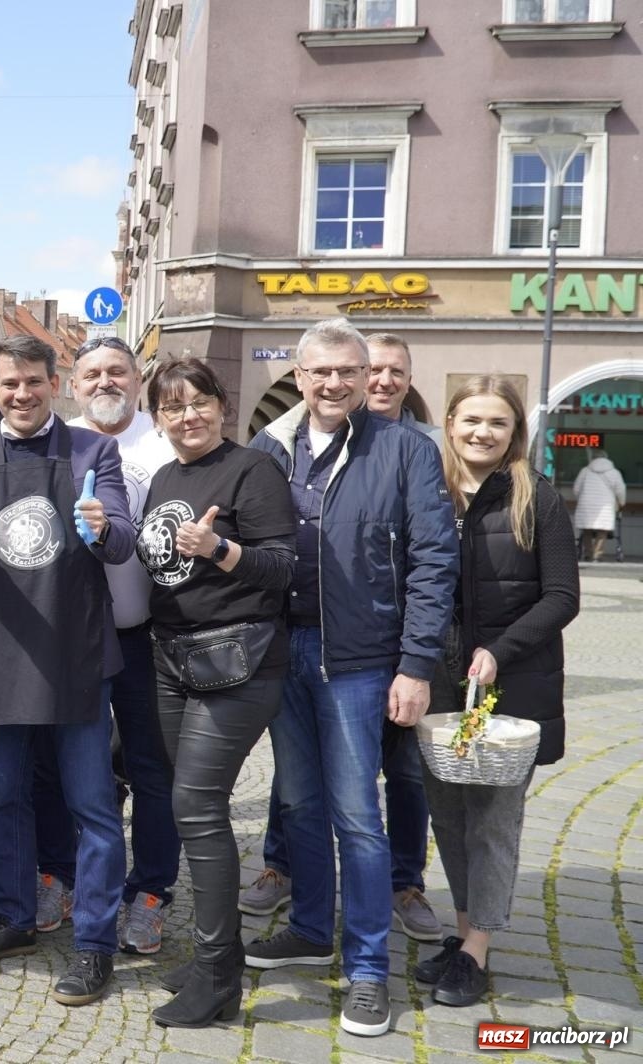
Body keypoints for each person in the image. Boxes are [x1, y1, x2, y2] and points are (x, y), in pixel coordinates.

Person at [247, 318, 457, 1038]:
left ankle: (368, 967)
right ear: (298, 377)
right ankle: (309, 928)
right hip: (283, 655)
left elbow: (434, 564)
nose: (334, 383)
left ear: (369, 377)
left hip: (360, 665)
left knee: (357, 819)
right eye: (320, 371)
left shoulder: (404, 452)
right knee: (298, 805)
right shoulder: (268, 449)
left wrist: (416, 665)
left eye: (348, 371)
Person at [0, 335, 136, 1008]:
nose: (21, 394)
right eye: (8, 384)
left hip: (75, 651)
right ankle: (16, 918)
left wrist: (102, 526)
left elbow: (124, 543)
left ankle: (95, 946)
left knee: (93, 807)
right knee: (5, 798)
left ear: (56, 383)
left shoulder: (93, 451)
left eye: (32, 381)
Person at [130, 359, 295, 1028]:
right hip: (171, 659)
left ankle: (221, 971)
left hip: (240, 661)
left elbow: (283, 568)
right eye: (172, 406)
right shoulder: (166, 477)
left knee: (196, 807)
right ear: (158, 417)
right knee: (187, 803)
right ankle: (209, 958)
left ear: (221, 406)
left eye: (198, 402)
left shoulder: (253, 470)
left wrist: (220, 548)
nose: (187, 415)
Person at [416, 375, 579, 1008]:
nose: (483, 432)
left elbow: (562, 597)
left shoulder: (534, 496)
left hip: (511, 684)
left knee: (492, 821)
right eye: (472, 421)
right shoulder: (427, 493)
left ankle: (477, 950)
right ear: (450, 424)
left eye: (498, 424)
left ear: (516, 433)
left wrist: (498, 650)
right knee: (449, 819)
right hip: (435, 682)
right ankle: (462, 936)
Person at [45, 335, 179, 952]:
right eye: (92, 373)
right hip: (73, 639)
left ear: (137, 377)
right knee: (68, 768)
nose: (105, 383)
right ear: (73, 385)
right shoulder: (58, 441)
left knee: (152, 770)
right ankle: (63, 875)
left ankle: (149, 891)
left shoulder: (166, 439)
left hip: (151, 634)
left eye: (117, 372)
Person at [573, 450, 626, 562]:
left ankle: (588, 554)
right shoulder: (614, 472)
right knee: (602, 531)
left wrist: (581, 499)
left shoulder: (585, 471)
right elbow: (620, 490)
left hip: (586, 505)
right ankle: (597, 554)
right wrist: (622, 503)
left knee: (586, 530)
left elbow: (576, 489)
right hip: (605, 506)